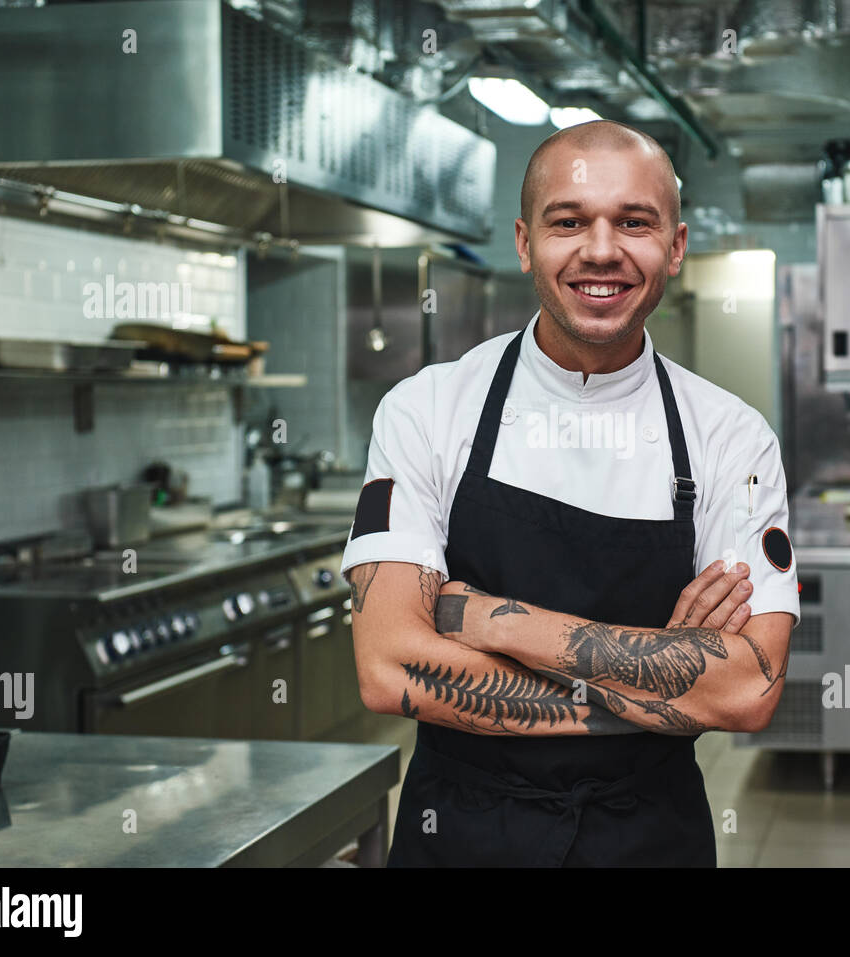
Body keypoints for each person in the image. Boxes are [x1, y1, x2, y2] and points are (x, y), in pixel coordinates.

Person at [341, 119, 799, 867]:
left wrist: (487, 617)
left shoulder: (732, 439)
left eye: (634, 222)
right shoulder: (427, 410)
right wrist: (665, 690)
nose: (600, 250)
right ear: (524, 243)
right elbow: (389, 666)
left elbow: (749, 687)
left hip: (648, 838)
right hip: (460, 833)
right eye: (568, 222)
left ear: (675, 247)